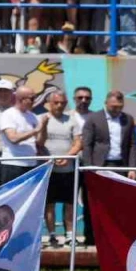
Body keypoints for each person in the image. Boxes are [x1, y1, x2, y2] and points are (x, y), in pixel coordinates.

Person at [81, 91, 136, 245]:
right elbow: (87, 145)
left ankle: (117, 238)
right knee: (93, 203)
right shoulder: (94, 118)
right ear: (106, 103)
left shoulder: (128, 119)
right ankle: (90, 238)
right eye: (113, 107)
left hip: (120, 166)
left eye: (119, 107)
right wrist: (89, 168)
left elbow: (132, 144)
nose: (116, 110)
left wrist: (132, 168)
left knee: (119, 205)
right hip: (99, 166)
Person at [41, 91, 82, 247]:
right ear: (50, 103)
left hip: (68, 169)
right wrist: (49, 158)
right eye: (56, 102)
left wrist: (67, 156)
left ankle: (70, 236)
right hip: (48, 170)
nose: (59, 105)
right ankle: (52, 235)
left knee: (70, 204)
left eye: (63, 103)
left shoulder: (72, 120)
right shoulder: (42, 119)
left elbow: (78, 143)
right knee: (49, 204)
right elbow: (39, 143)